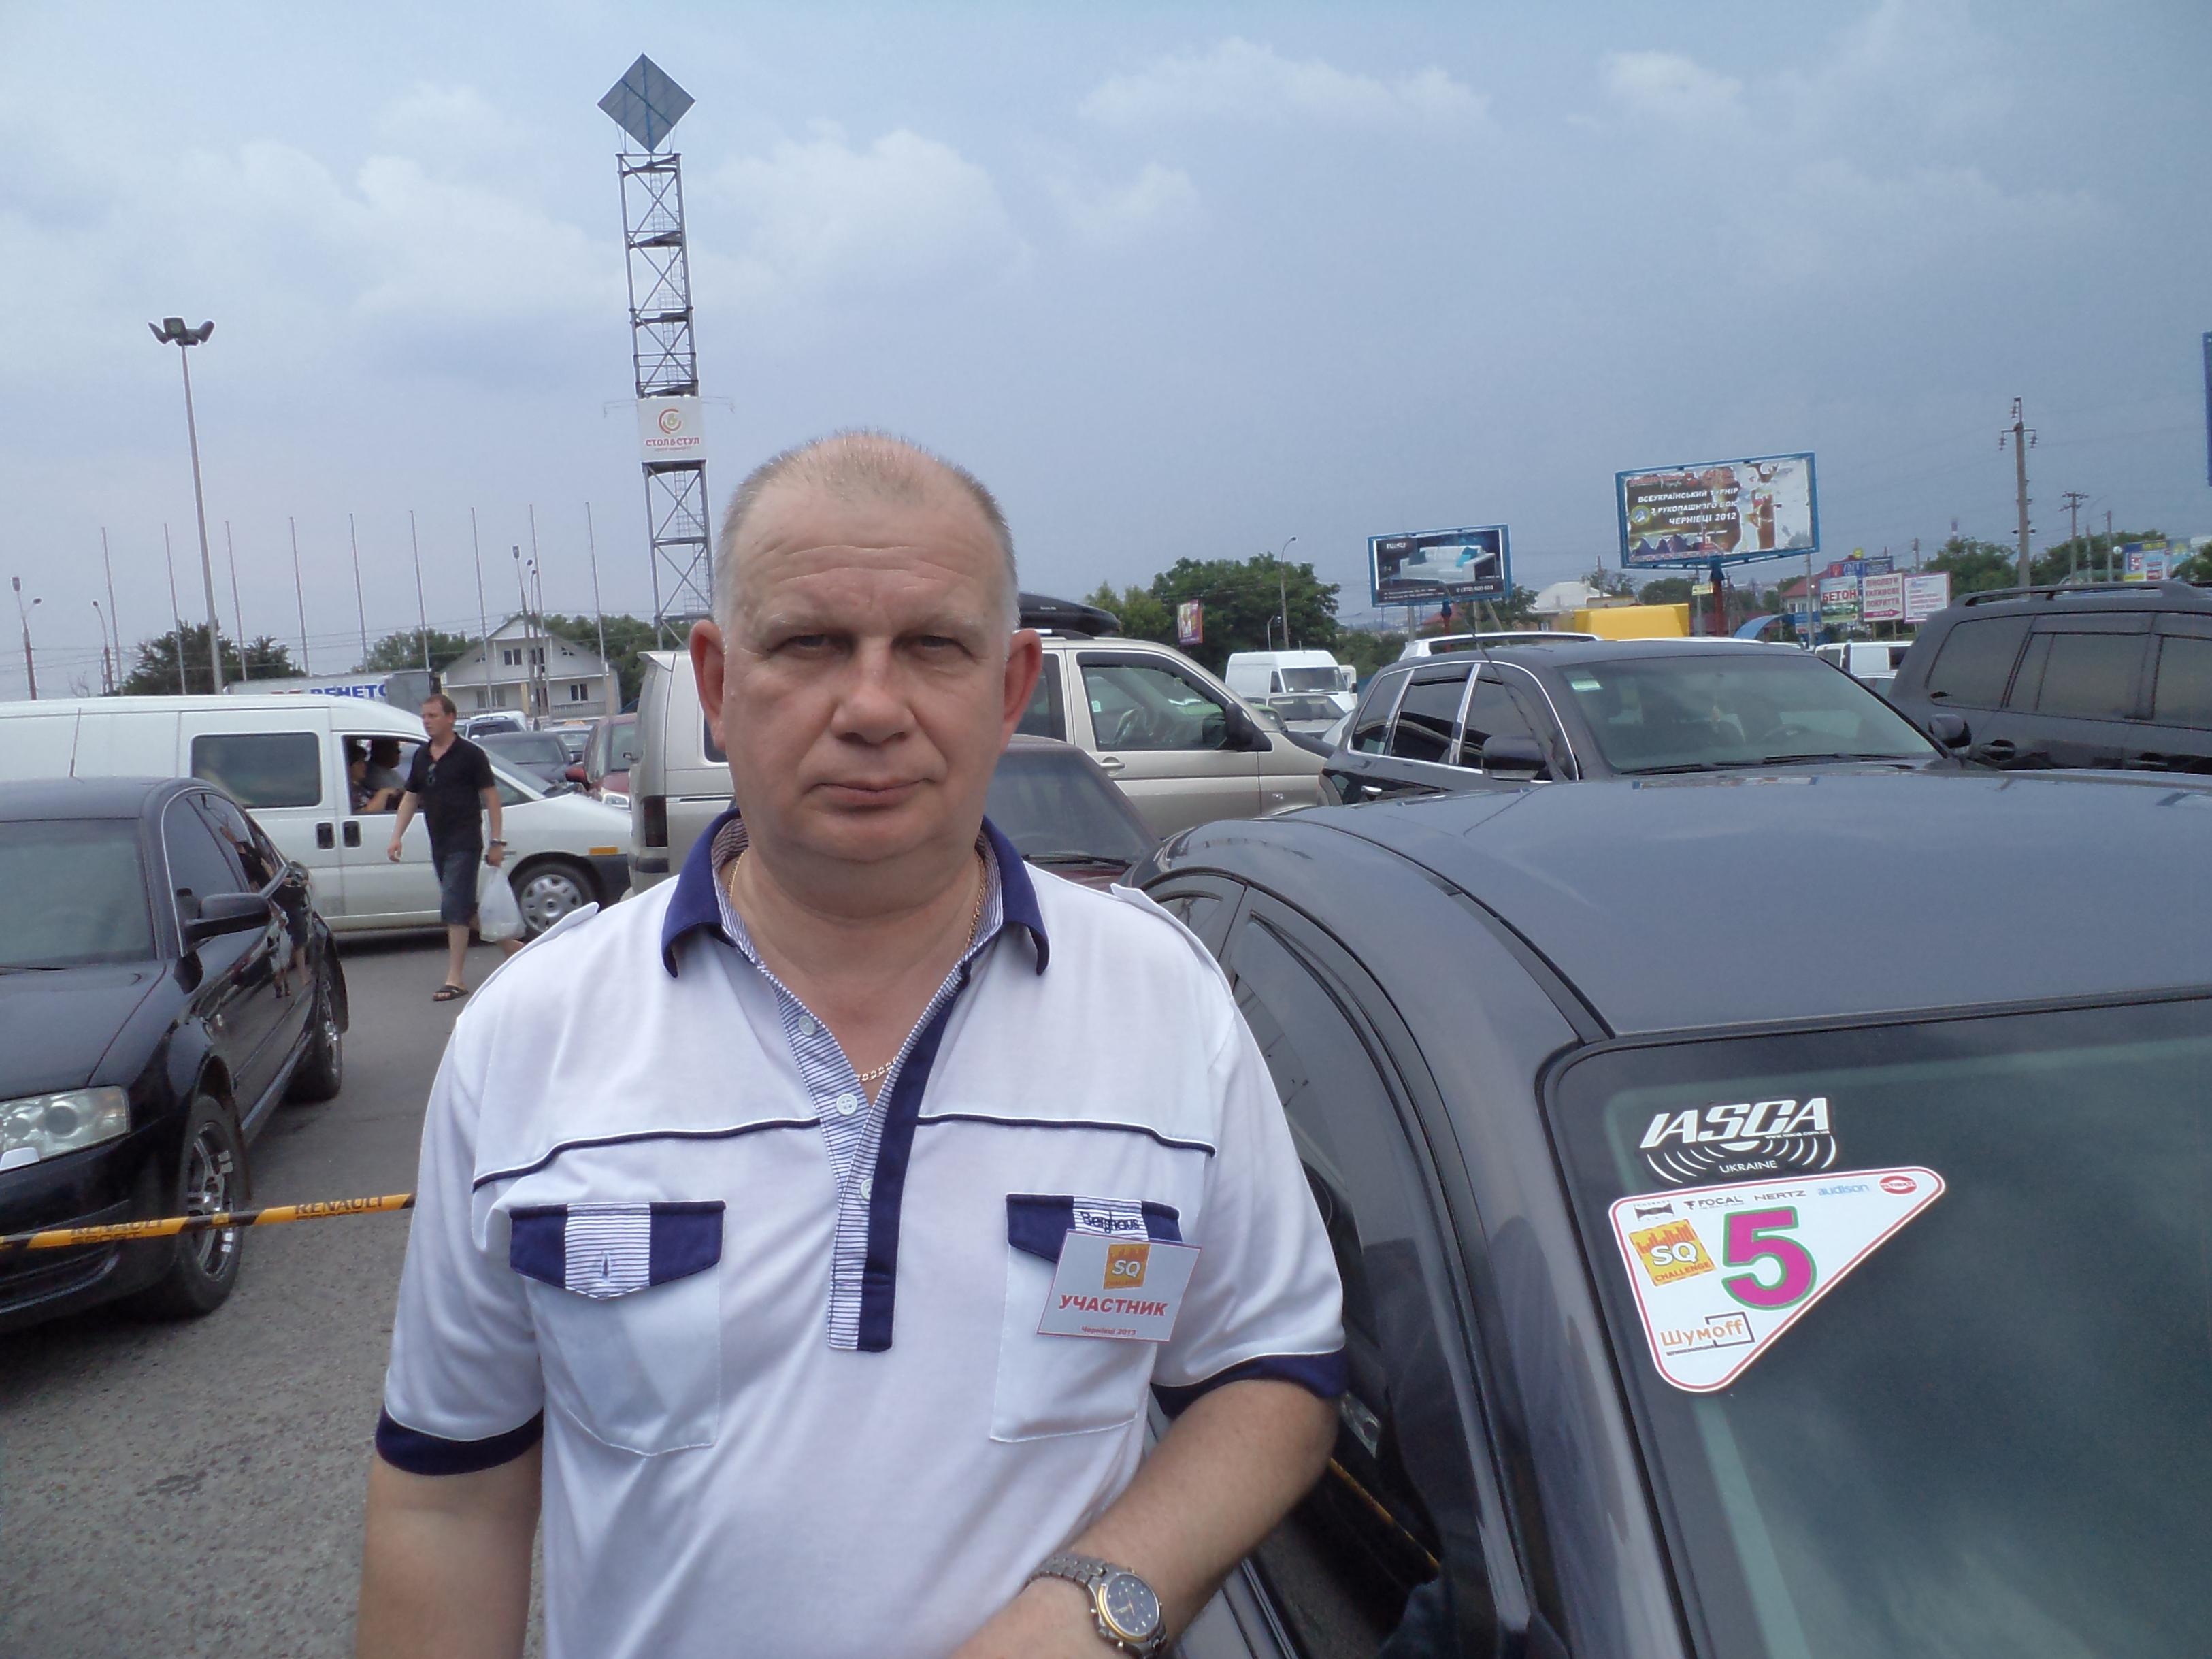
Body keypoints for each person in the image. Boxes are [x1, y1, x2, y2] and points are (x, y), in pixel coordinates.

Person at [357, 433, 1345, 1659]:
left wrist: (1092, 1607)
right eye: (811, 643)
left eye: (931, 645)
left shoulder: (1163, 1000)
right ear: (717, 684)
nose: (872, 707)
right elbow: (448, 1497)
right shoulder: (530, 1033)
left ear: (1009, 687)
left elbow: (1268, 1372)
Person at [385, 693, 515, 1001]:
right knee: (463, 907)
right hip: (439, 842)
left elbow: (492, 798)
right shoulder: (422, 756)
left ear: (451, 718)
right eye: (424, 716)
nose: (427, 722)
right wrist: (396, 836)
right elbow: (411, 797)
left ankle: (455, 979)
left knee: (453, 908)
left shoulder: (470, 754)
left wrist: (497, 841)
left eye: (433, 716)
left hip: (465, 841)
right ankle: (515, 949)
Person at [348, 742, 399, 814]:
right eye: (359, 763)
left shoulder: (361, 787)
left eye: (364, 762)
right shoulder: (348, 792)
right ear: (348, 767)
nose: (364, 766)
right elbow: (366, 814)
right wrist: (384, 793)